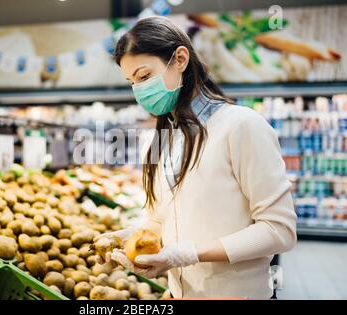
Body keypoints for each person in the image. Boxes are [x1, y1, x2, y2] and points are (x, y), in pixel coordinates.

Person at [96, 16, 297, 299]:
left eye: (143, 77)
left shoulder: (242, 126)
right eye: (132, 82)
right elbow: (161, 220)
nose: (139, 91)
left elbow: (279, 230)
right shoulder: (160, 140)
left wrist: (188, 254)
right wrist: (130, 236)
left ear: (180, 59)